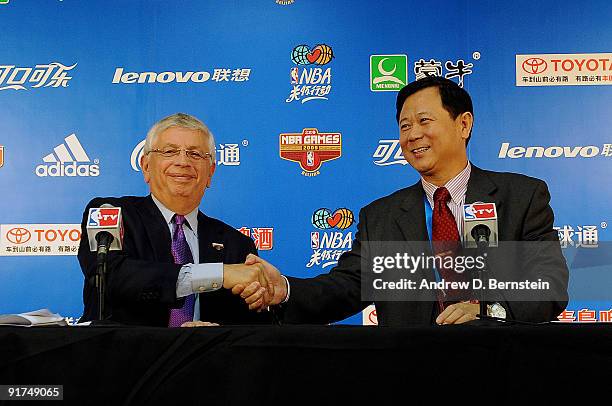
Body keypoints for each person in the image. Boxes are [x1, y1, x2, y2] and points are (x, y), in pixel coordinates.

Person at [237, 76, 569, 326]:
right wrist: (284, 289)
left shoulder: (521, 197)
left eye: (425, 121)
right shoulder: (380, 216)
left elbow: (548, 288)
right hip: (410, 376)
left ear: (463, 124)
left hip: (501, 368)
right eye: (404, 126)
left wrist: (485, 310)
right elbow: (348, 286)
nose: (412, 135)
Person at [78, 113, 273, 327]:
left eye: (196, 154)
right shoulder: (111, 212)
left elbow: (252, 327)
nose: (183, 162)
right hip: (124, 356)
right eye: (169, 151)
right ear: (145, 167)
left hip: (206, 357)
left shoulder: (237, 244)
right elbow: (109, 276)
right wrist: (219, 274)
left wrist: (254, 302)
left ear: (210, 172)